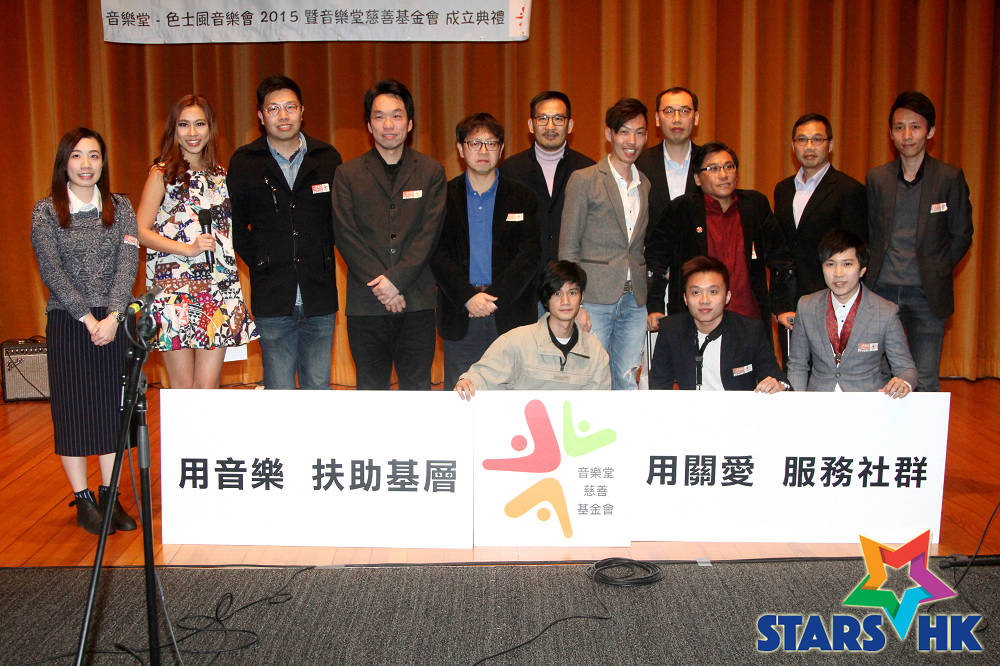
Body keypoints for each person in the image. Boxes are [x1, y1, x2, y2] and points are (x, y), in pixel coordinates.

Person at [30, 128, 139, 534]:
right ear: (64, 162)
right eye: (77, 156)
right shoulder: (46, 212)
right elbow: (51, 271)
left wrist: (113, 316)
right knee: (73, 412)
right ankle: (83, 500)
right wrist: (88, 319)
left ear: (103, 162)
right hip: (69, 322)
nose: (86, 164)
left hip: (114, 321)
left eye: (94, 155)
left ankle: (110, 495)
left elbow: (128, 263)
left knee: (112, 411)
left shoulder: (120, 207)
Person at [229, 75, 342, 389]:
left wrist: (321, 256)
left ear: (302, 111)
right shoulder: (245, 162)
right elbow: (236, 226)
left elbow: (340, 222)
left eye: (290, 107)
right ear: (260, 115)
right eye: (273, 108)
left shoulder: (327, 158)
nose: (283, 115)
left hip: (319, 294)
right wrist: (261, 262)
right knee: (279, 390)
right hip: (272, 295)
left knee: (318, 386)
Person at [136, 94, 257, 388]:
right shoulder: (162, 174)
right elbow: (140, 231)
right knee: (183, 392)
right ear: (173, 130)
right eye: (184, 124)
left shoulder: (221, 175)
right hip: (174, 292)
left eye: (199, 124)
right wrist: (187, 249)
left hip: (218, 291)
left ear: (210, 128)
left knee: (207, 391)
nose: (192, 132)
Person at [333, 79, 446, 390]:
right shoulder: (347, 174)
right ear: (369, 125)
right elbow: (346, 234)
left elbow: (429, 235)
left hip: (417, 301)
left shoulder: (431, 172)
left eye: (396, 116)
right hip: (366, 304)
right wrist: (383, 285)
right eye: (379, 116)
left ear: (409, 123)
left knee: (417, 390)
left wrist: (396, 281)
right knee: (371, 393)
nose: (388, 125)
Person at [864, 91, 973, 392]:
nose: (907, 135)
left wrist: (937, 268)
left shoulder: (949, 178)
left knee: (924, 379)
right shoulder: (877, 179)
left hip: (927, 294)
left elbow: (962, 234)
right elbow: (869, 232)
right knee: (879, 377)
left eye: (915, 127)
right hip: (882, 292)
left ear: (931, 131)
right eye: (899, 127)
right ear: (891, 133)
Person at [430, 113, 540, 389]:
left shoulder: (523, 197)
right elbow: (437, 253)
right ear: (460, 149)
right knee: (462, 396)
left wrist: (493, 298)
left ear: (501, 150)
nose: (483, 151)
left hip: (510, 313)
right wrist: (468, 297)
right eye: (474, 143)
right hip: (461, 312)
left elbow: (530, 255)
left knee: (512, 397)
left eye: (491, 143)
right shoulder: (442, 197)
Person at [645, 141, 795, 330]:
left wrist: (783, 307)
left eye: (729, 167)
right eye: (713, 169)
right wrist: (655, 307)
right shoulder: (681, 209)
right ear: (697, 179)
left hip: (748, 319)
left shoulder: (754, 205)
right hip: (694, 321)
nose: (723, 175)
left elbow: (780, 259)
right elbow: (656, 260)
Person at [559, 98, 650, 390]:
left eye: (639, 132)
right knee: (592, 379)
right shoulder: (584, 179)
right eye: (624, 132)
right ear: (609, 133)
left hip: (634, 299)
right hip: (594, 298)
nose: (632, 141)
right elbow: (568, 247)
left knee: (627, 378)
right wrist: (575, 302)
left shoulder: (645, 184)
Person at [773, 113, 866, 366]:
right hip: (790, 299)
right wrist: (779, 302)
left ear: (830, 145)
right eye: (802, 140)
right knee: (793, 368)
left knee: (827, 370)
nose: (809, 146)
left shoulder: (849, 190)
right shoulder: (783, 189)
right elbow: (781, 248)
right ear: (793, 146)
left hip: (829, 297)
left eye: (817, 139)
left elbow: (855, 250)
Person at [454, 261, 610, 399]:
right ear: (546, 298)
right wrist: (467, 382)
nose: (565, 301)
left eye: (572, 293)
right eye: (557, 293)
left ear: (582, 297)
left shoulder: (595, 351)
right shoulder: (516, 341)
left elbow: (599, 406)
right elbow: (482, 376)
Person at [788, 230, 917, 395]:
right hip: (820, 402)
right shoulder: (806, 306)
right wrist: (796, 404)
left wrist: (903, 383)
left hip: (866, 402)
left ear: (862, 270)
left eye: (847, 264)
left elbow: (906, 368)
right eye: (830, 264)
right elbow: (797, 364)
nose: (838, 273)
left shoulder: (885, 311)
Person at [649, 256, 787, 392]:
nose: (704, 300)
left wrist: (779, 386)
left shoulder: (750, 331)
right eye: (696, 292)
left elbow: (779, 380)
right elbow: (659, 387)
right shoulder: (671, 330)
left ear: (727, 296)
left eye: (713, 292)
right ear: (685, 298)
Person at [499, 91, 594, 281]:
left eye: (558, 119)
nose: (550, 126)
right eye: (542, 118)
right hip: (523, 283)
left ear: (570, 125)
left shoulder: (588, 170)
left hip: (571, 282)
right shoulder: (509, 170)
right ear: (531, 125)